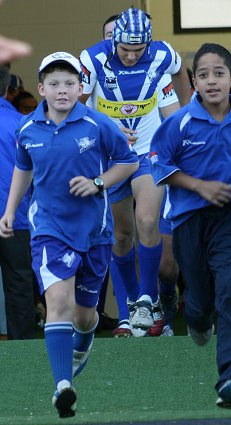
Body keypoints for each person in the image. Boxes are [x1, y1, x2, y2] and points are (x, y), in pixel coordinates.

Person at [0, 51, 138, 418]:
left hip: (96, 232)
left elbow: (128, 161)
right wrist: (10, 210)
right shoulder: (27, 128)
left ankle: (81, 344)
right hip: (49, 229)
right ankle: (64, 386)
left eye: (70, 83)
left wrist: (98, 183)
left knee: (85, 316)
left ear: (81, 88)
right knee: (57, 303)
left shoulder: (98, 124)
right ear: (42, 88)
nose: (62, 90)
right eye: (55, 83)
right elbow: (22, 168)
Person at [150, 43, 231, 408]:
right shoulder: (178, 123)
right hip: (189, 219)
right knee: (199, 297)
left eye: (219, 74)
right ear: (194, 82)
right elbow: (159, 166)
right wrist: (198, 185)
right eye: (204, 75)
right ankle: (196, 315)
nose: (212, 81)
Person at [79, 7, 190, 337]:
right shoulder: (93, 59)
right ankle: (129, 313)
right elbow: (76, 108)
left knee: (146, 221)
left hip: (147, 155)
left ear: (148, 44)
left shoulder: (162, 55)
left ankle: (147, 300)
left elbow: (181, 71)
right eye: (124, 49)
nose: (129, 56)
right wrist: (107, 133)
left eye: (137, 50)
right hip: (111, 159)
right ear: (113, 40)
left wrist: (185, 115)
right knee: (122, 236)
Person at [0, 64, 36, 340]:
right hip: (17, 218)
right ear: (10, 90)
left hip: (15, 215)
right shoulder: (24, 125)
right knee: (20, 285)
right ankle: (23, 353)